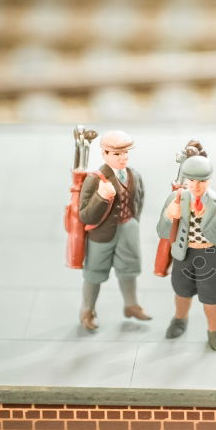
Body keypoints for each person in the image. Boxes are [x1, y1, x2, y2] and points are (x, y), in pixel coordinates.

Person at [157, 153, 216, 350]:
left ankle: (214, 330)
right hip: (183, 253)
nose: (196, 186)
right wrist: (169, 216)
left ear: (209, 180)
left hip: (209, 255)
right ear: (185, 180)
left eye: (202, 181)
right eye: (191, 180)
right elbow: (162, 232)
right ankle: (180, 319)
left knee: (211, 297)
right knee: (181, 291)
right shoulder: (175, 199)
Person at [78, 130, 151, 330]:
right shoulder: (95, 179)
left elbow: (139, 200)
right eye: (117, 154)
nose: (123, 157)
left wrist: (133, 222)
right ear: (105, 154)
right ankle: (87, 310)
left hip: (128, 229)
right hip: (101, 234)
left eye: (126, 153)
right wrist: (101, 197)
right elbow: (84, 215)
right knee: (95, 272)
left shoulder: (134, 175)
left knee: (129, 268)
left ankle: (131, 305)